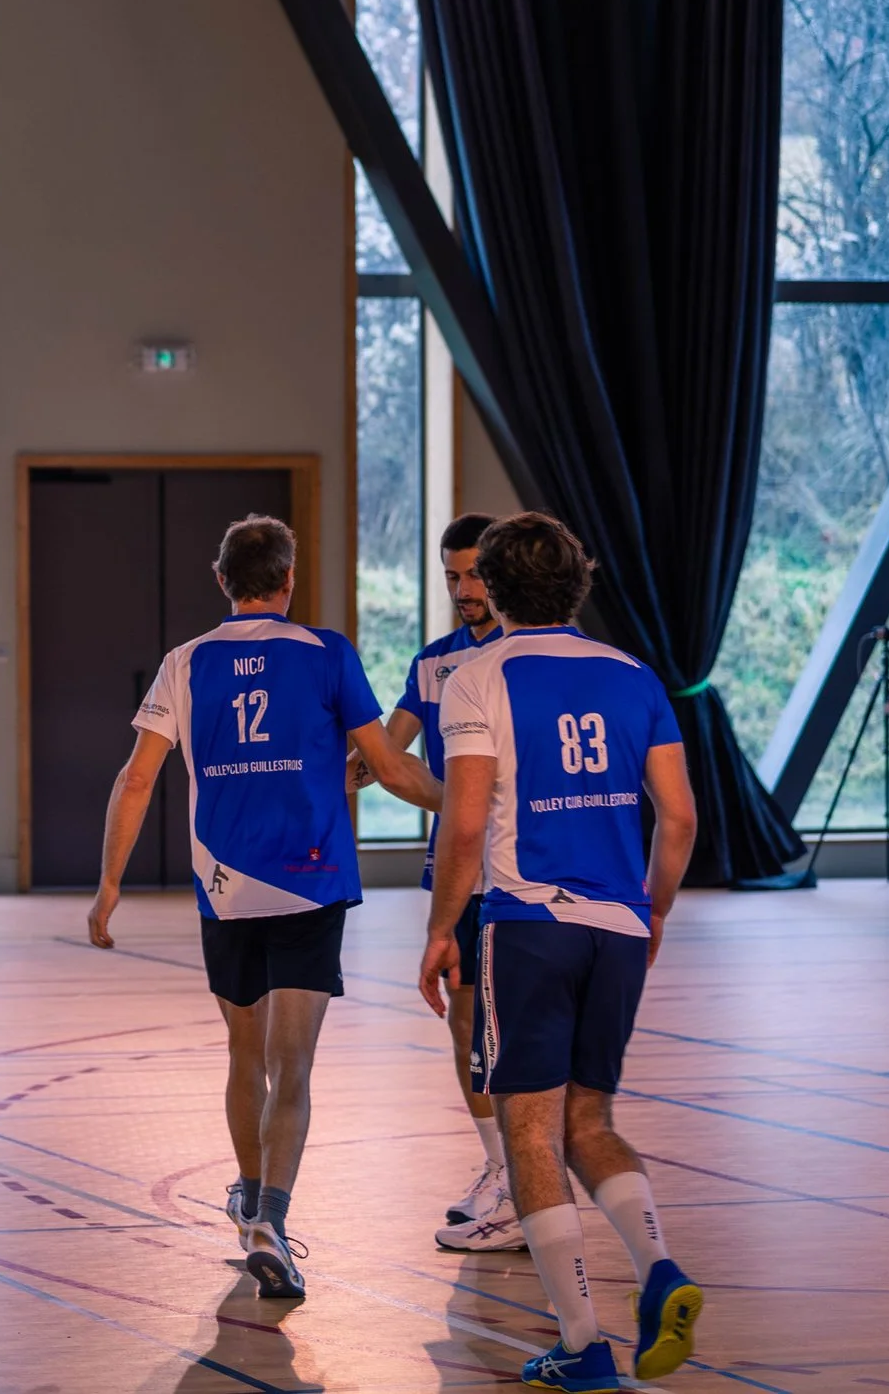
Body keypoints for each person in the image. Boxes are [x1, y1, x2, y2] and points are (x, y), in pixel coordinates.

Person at [88, 515, 439, 1300]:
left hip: (225, 888)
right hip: (310, 883)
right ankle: (269, 1219)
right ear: (289, 580)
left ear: (222, 580)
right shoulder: (327, 653)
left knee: (245, 1056)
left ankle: (250, 1201)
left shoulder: (185, 662)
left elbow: (136, 779)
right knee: (294, 1065)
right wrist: (474, 806)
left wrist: (110, 883)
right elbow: (388, 767)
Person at [417, 512, 702, 1392]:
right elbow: (679, 818)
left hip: (529, 924)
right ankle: (659, 1268)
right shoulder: (634, 675)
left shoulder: (477, 677)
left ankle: (582, 1344)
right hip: (618, 927)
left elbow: (466, 822)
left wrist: (440, 928)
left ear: (494, 586)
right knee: (590, 1124)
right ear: (578, 584)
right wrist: (652, 909)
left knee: (532, 1133)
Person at [350, 512, 524, 1251]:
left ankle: (527, 1180)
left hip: (522, 871)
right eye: (452, 576)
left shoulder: (532, 653)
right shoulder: (434, 663)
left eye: (475, 574)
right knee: (465, 1022)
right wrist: (346, 762)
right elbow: (387, 753)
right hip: (460, 873)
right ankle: (500, 1168)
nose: (463, 590)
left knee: (513, 1026)